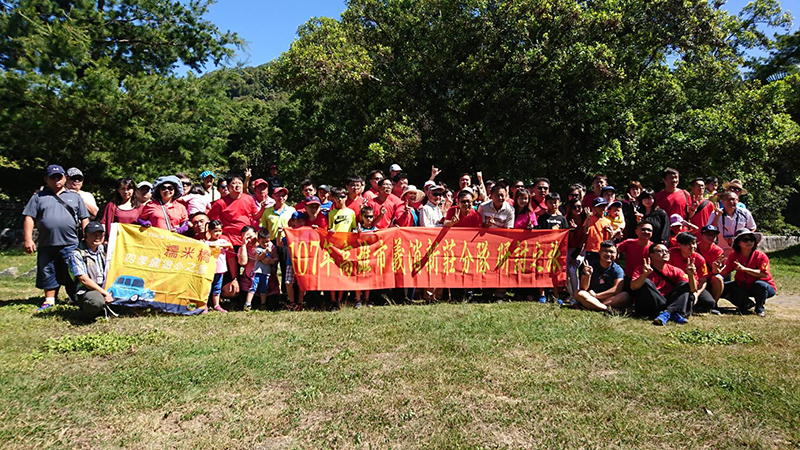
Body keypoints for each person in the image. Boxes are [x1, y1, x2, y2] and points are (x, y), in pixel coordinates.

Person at [23, 165, 90, 310]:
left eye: (59, 177)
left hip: (71, 242)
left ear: (65, 178)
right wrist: (28, 239)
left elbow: (85, 218)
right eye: (53, 177)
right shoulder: (38, 197)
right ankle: (49, 299)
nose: (56, 180)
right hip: (47, 242)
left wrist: (86, 237)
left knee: (72, 271)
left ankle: (74, 297)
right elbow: (29, 217)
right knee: (47, 270)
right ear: (46, 179)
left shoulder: (75, 197)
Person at [208, 175, 265, 299]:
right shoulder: (220, 203)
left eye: (239, 183)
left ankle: (249, 294)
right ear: (228, 187)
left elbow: (255, 216)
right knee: (228, 270)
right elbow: (212, 222)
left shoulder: (248, 199)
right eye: (234, 183)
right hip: (228, 239)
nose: (237, 185)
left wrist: (263, 208)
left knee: (250, 268)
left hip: (246, 239)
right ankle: (227, 295)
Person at [630, 243, 697, 325]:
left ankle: (667, 313)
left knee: (684, 284)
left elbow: (693, 289)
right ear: (651, 255)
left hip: (668, 301)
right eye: (660, 251)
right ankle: (672, 312)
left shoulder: (675, 270)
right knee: (646, 282)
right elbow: (633, 287)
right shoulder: (641, 269)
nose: (665, 253)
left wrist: (691, 275)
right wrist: (644, 275)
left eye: (667, 251)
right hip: (651, 305)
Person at [720, 229, 776, 316]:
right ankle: (745, 304)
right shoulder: (734, 255)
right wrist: (716, 276)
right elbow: (726, 272)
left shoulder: (761, 256)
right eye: (745, 240)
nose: (749, 242)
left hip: (763, 288)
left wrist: (745, 269)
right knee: (723, 288)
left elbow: (764, 274)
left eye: (752, 239)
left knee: (760, 285)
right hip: (742, 286)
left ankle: (759, 309)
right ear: (738, 243)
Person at [68, 222, 112, 319]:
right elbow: (84, 280)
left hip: (106, 286)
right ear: (85, 235)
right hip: (87, 290)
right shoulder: (77, 254)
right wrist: (105, 293)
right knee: (96, 302)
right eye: (93, 234)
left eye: (100, 234)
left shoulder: (104, 249)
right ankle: (86, 314)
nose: (97, 237)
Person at [668, 232, 716, 314]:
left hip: (694, 286)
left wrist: (697, 294)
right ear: (679, 245)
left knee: (709, 302)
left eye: (694, 243)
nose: (692, 247)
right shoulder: (671, 254)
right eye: (687, 244)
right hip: (677, 285)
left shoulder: (699, 259)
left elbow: (703, 280)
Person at [575, 240, 629, 311]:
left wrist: (597, 296)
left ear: (616, 254)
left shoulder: (618, 269)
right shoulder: (590, 265)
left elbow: (617, 289)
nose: (609, 254)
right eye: (606, 251)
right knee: (579, 293)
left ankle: (594, 305)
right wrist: (588, 275)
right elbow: (583, 288)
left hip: (607, 298)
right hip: (591, 296)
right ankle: (606, 309)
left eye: (612, 252)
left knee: (625, 295)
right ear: (600, 253)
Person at [242, 228, 277, 312]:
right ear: (258, 240)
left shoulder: (270, 247)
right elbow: (259, 257)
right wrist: (265, 252)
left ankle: (263, 304)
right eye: (263, 242)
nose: (265, 244)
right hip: (257, 272)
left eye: (267, 241)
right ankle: (247, 303)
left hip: (266, 273)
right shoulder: (258, 248)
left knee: (264, 289)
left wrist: (271, 261)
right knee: (252, 288)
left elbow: (275, 259)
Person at [203, 220, 233, 313]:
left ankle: (216, 305)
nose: (217, 233)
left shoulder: (222, 242)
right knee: (207, 288)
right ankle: (205, 305)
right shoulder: (206, 243)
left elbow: (229, 245)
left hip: (220, 269)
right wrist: (210, 244)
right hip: (209, 269)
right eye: (215, 231)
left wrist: (218, 244)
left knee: (217, 287)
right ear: (210, 231)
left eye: (219, 231)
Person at [697, 225, 725, 303]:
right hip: (697, 278)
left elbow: (716, 272)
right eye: (708, 234)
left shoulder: (718, 251)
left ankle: (714, 304)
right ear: (701, 235)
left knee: (718, 278)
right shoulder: (694, 248)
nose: (711, 237)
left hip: (710, 278)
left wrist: (715, 268)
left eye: (713, 234)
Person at [285, 212, 306, 310]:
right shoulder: (290, 233)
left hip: (303, 262)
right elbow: (280, 243)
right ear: (293, 222)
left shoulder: (308, 232)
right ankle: (292, 302)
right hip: (291, 261)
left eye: (302, 220)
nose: (300, 223)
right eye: (297, 220)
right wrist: (281, 232)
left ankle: (300, 303)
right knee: (288, 282)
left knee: (302, 283)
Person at [582, 198, 612, 262]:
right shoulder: (590, 219)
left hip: (603, 250)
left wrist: (611, 234)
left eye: (604, 206)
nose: (602, 208)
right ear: (594, 208)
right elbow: (585, 231)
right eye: (599, 206)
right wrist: (588, 219)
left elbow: (609, 239)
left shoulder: (608, 221)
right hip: (591, 249)